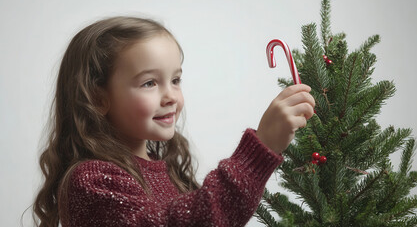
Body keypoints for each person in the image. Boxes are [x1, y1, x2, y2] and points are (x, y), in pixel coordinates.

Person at [32, 16, 315, 227]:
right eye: (150, 82)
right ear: (97, 98)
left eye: (176, 80)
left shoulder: (167, 171)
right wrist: (259, 148)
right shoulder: (93, 181)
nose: (171, 96)